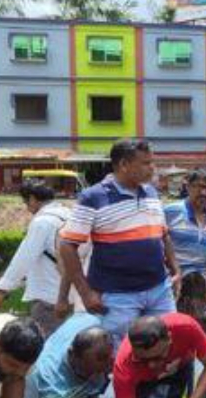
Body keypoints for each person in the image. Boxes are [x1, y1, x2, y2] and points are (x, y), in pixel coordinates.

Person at [59, 138, 182, 346]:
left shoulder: (151, 193)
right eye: (145, 163)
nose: (152, 168)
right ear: (123, 165)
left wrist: (176, 269)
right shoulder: (93, 197)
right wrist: (85, 292)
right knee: (122, 352)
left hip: (159, 290)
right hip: (118, 297)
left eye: (152, 162)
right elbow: (67, 246)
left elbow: (163, 235)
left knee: (168, 345)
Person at [0, 180, 72, 336]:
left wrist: (1, 291)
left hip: (49, 297)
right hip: (74, 296)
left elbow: (23, 259)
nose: (27, 207)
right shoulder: (69, 216)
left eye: (25, 202)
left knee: (44, 347)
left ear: (32, 199)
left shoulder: (42, 222)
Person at [164, 165, 206, 285]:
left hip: (200, 291)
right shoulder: (170, 212)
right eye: (199, 187)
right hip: (173, 286)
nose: (204, 193)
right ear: (188, 187)